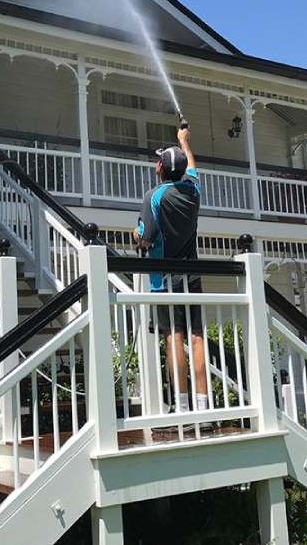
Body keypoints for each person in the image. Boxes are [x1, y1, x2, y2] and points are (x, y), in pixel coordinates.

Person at [132, 124, 207, 413]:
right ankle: (203, 406)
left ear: (160, 167)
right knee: (197, 336)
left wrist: (135, 234)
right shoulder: (193, 192)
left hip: (164, 280)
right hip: (193, 276)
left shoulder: (153, 196)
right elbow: (193, 168)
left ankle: (184, 407)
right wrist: (184, 141)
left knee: (173, 336)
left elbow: (146, 239)